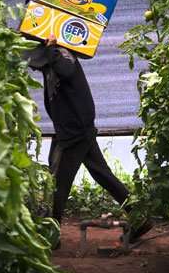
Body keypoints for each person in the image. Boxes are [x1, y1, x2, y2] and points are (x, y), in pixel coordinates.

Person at [24, 33, 152, 245]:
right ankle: (139, 216)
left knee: (57, 182)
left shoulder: (63, 54)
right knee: (101, 173)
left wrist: (52, 48)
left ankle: (51, 235)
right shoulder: (50, 58)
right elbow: (34, 60)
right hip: (73, 126)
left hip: (74, 129)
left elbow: (66, 69)